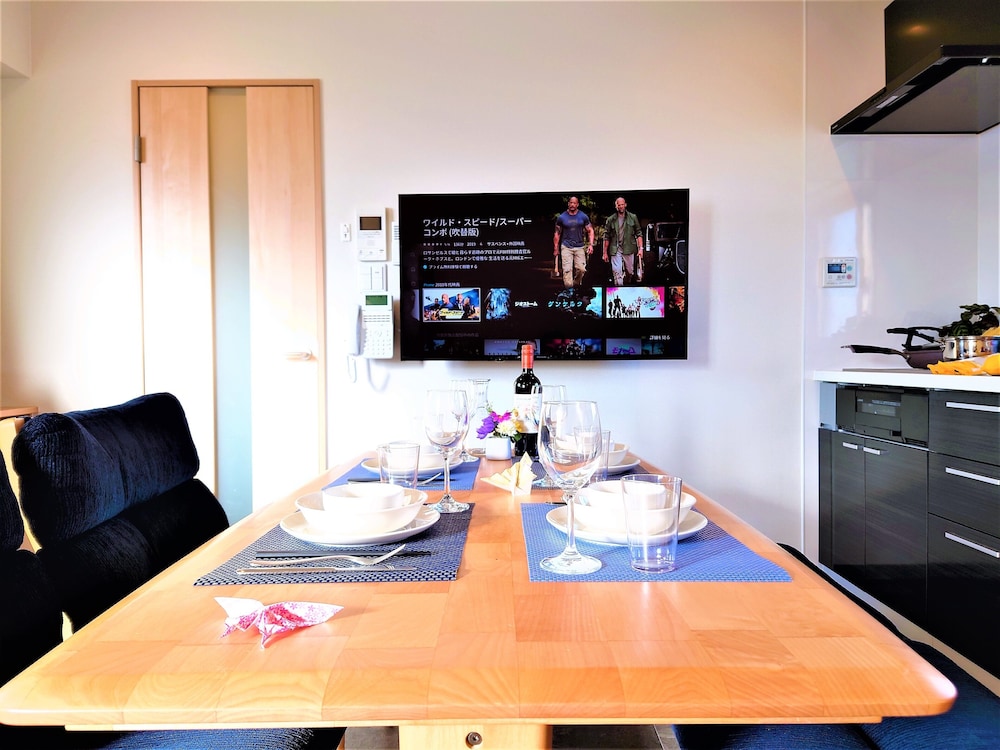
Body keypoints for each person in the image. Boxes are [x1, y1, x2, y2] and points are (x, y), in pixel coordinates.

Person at [553, 196, 594, 292]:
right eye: (571, 203)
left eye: (574, 203)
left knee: (581, 269)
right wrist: (556, 248)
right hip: (566, 246)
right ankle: (570, 291)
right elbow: (557, 233)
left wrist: (591, 244)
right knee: (567, 270)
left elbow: (590, 230)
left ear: (577, 204)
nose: (572, 205)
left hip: (579, 246)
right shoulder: (562, 217)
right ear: (568, 204)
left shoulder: (583, 216)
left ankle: (575, 285)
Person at [602, 196, 644, 285]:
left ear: (625, 205)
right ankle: (619, 288)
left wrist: (641, 249)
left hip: (629, 248)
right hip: (615, 248)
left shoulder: (632, 217)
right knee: (617, 272)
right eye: (619, 205)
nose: (621, 206)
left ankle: (626, 283)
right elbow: (606, 236)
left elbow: (639, 233)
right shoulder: (611, 219)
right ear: (616, 206)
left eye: (622, 204)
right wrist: (604, 252)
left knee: (630, 271)